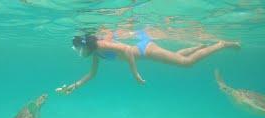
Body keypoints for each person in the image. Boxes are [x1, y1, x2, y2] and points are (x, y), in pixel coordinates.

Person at [55, 28, 240, 95]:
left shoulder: (101, 45)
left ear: (86, 46)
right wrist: (74, 86)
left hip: (145, 49)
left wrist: (135, 74)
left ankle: (221, 45)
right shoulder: (95, 53)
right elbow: (92, 74)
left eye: (79, 50)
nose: (80, 54)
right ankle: (200, 46)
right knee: (177, 56)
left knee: (186, 63)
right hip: (145, 52)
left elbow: (127, 50)